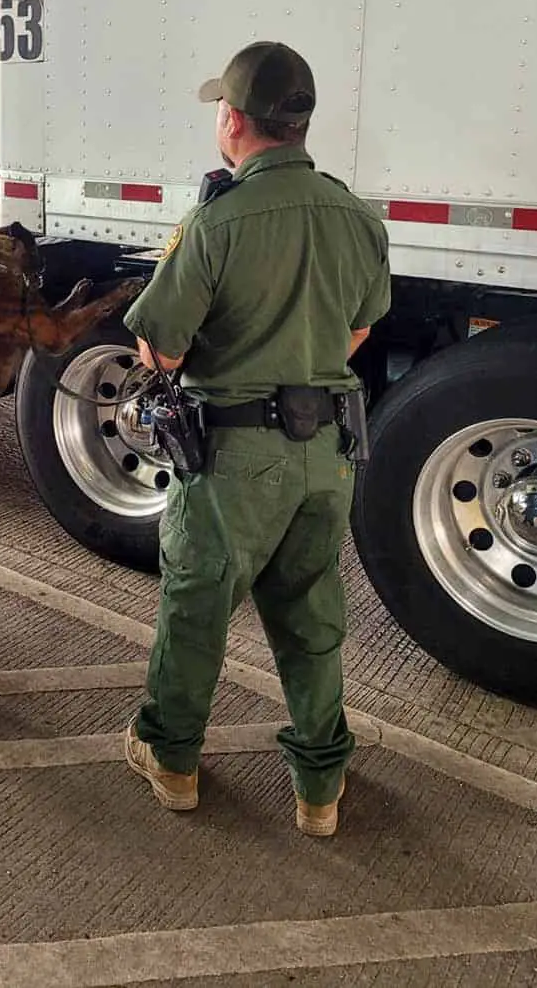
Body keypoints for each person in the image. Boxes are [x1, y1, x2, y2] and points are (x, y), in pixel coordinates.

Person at [122, 41, 391, 836]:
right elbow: (361, 326)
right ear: (300, 122)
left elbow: (162, 350)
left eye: (219, 109)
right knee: (312, 618)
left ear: (233, 120)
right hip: (328, 456)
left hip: (235, 457)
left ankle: (171, 760)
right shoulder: (356, 216)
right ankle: (320, 789)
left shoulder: (218, 218)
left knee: (198, 605)